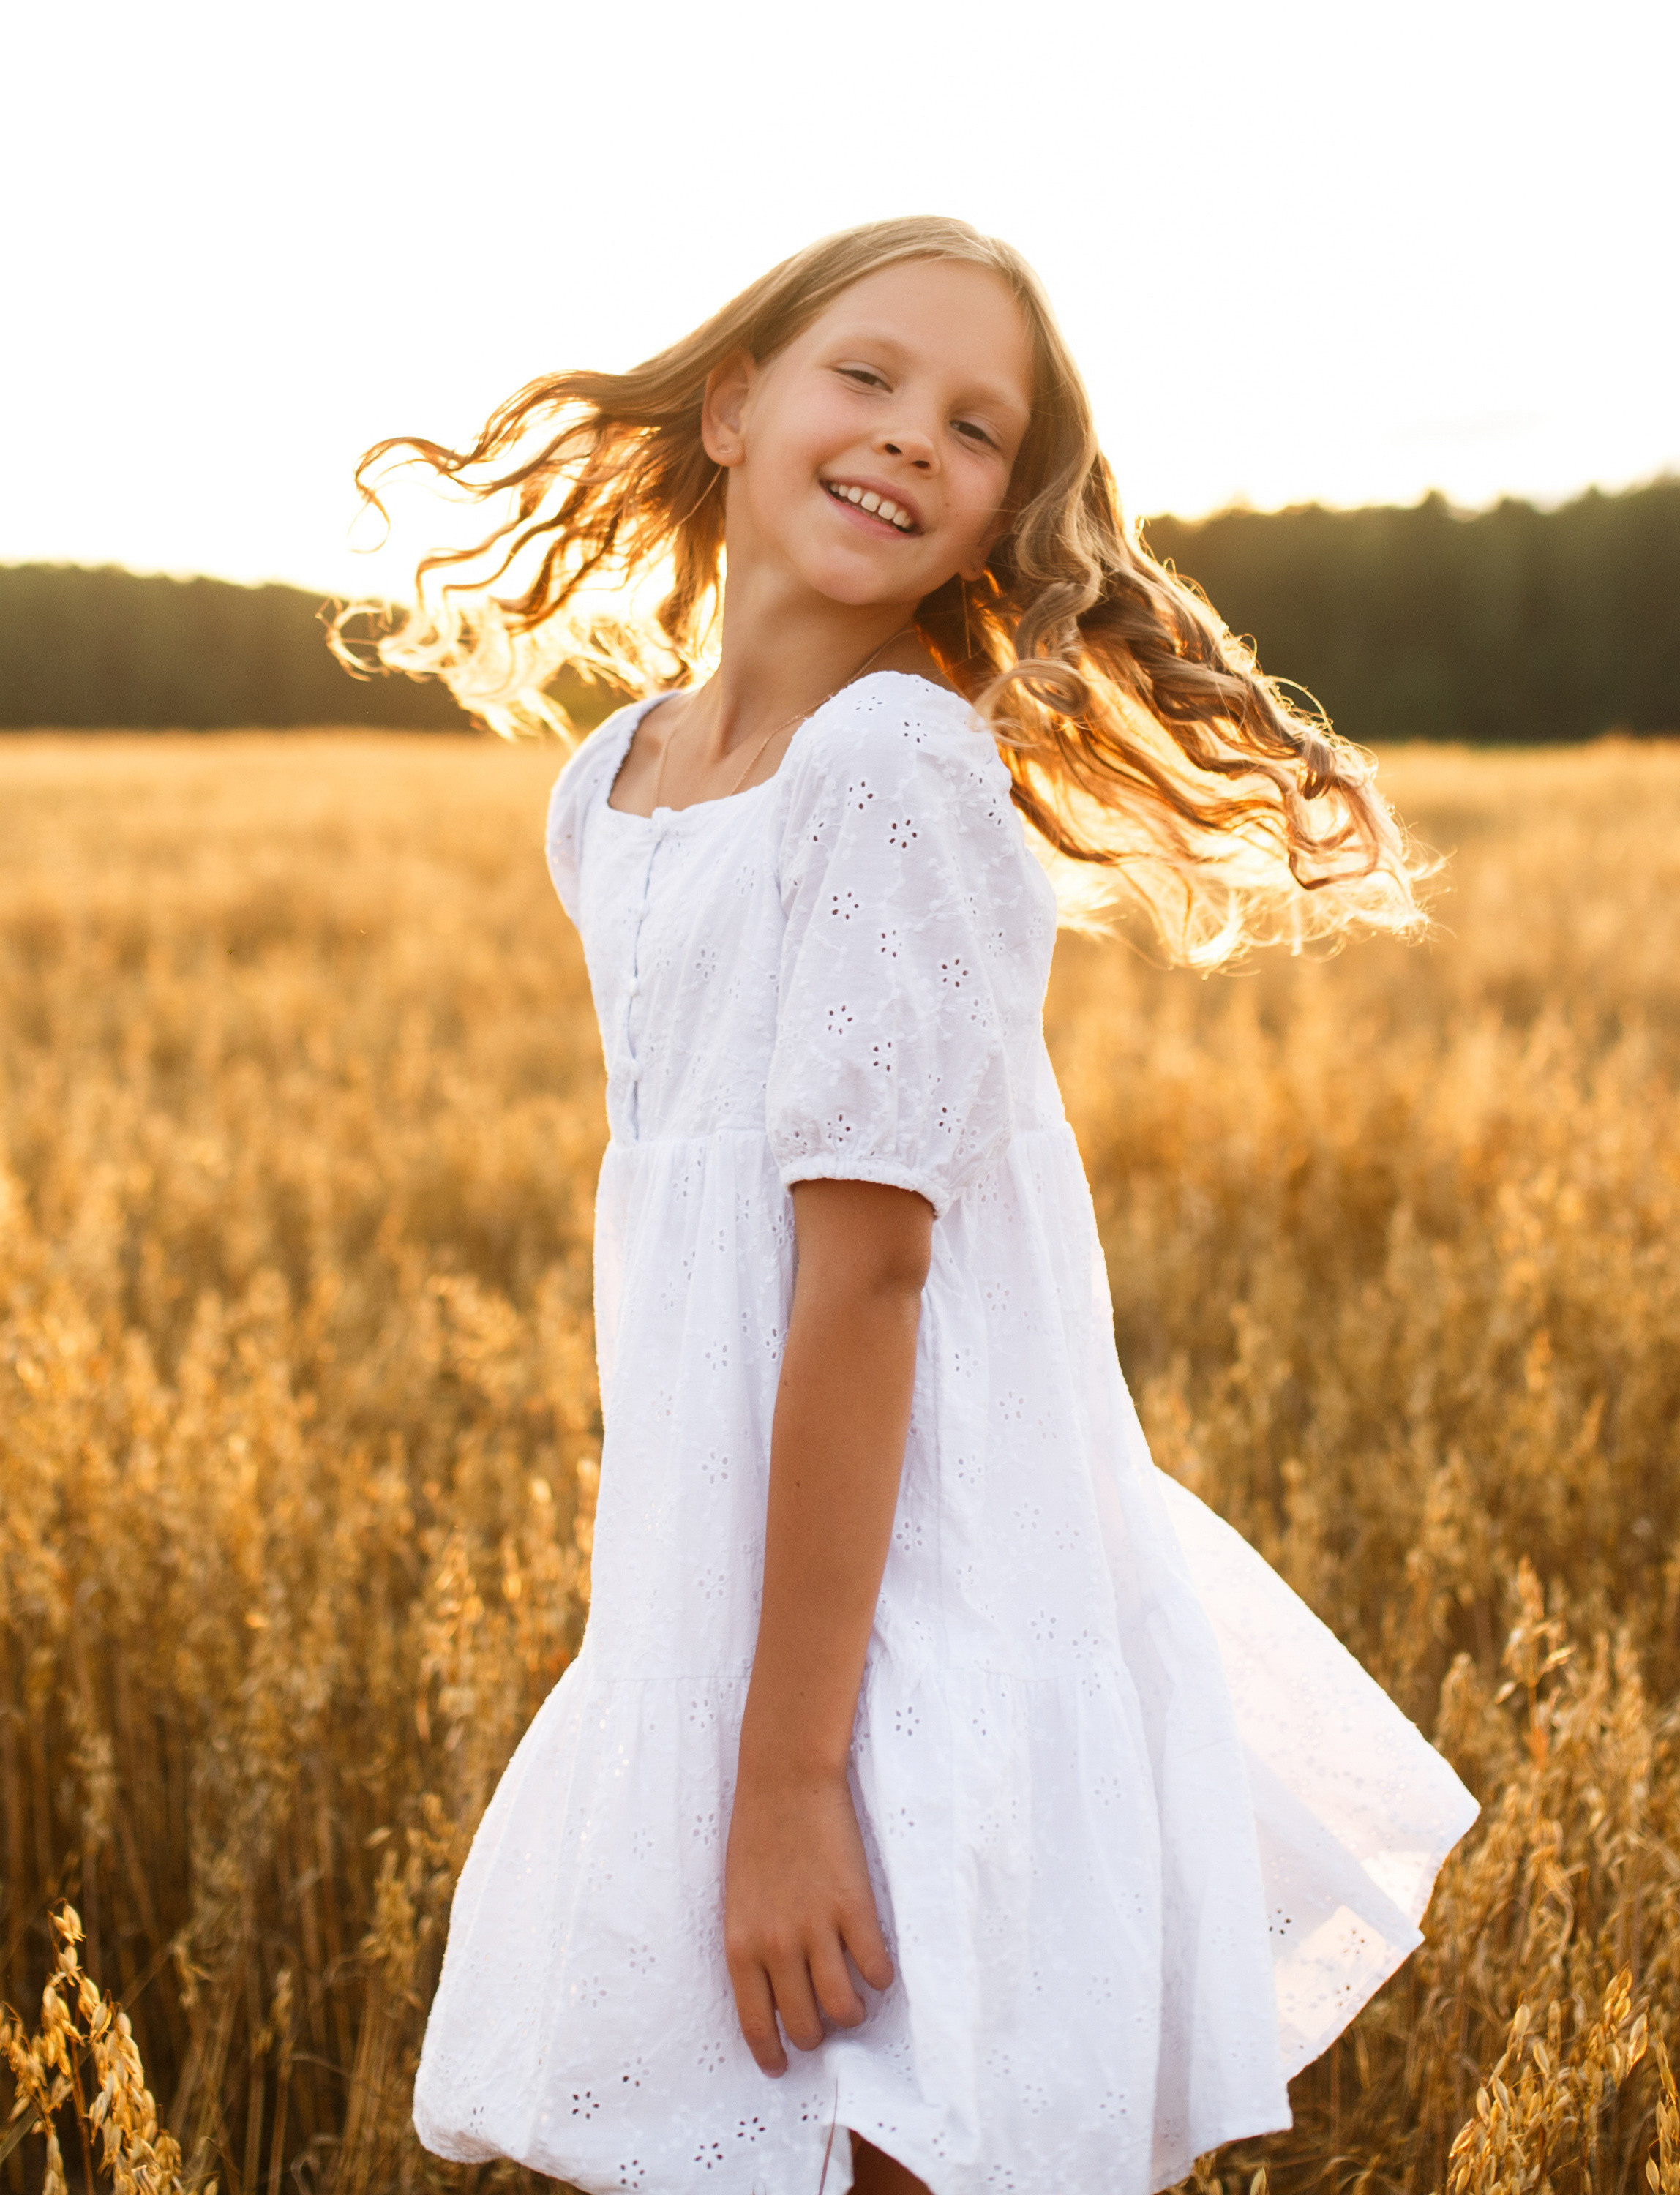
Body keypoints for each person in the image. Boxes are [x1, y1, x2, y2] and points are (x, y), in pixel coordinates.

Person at [342, 217, 1478, 2195]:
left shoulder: (894, 768)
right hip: (726, 1584)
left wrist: (786, 1785)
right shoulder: (613, 783)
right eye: (866, 375)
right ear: (736, 404)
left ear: (988, 529)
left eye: (975, 428)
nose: (908, 439)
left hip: (917, 1609)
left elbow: (866, 1287)